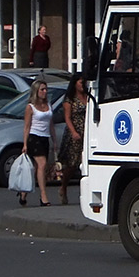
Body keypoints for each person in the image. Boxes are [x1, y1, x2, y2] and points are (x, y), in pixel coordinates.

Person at [21, 79, 56, 207]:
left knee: (37, 168)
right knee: (42, 164)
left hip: (45, 137)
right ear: (36, 91)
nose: (45, 92)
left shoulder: (48, 105)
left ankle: (24, 192)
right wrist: (25, 144)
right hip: (34, 137)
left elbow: (51, 124)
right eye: (42, 89)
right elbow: (26, 126)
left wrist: (54, 140)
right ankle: (43, 196)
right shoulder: (30, 107)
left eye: (46, 89)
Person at [57, 73, 87, 205]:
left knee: (85, 163)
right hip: (75, 132)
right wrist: (74, 132)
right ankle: (63, 187)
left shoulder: (88, 96)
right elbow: (67, 118)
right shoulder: (69, 99)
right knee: (72, 164)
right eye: (81, 83)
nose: (83, 85)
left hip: (87, 131)